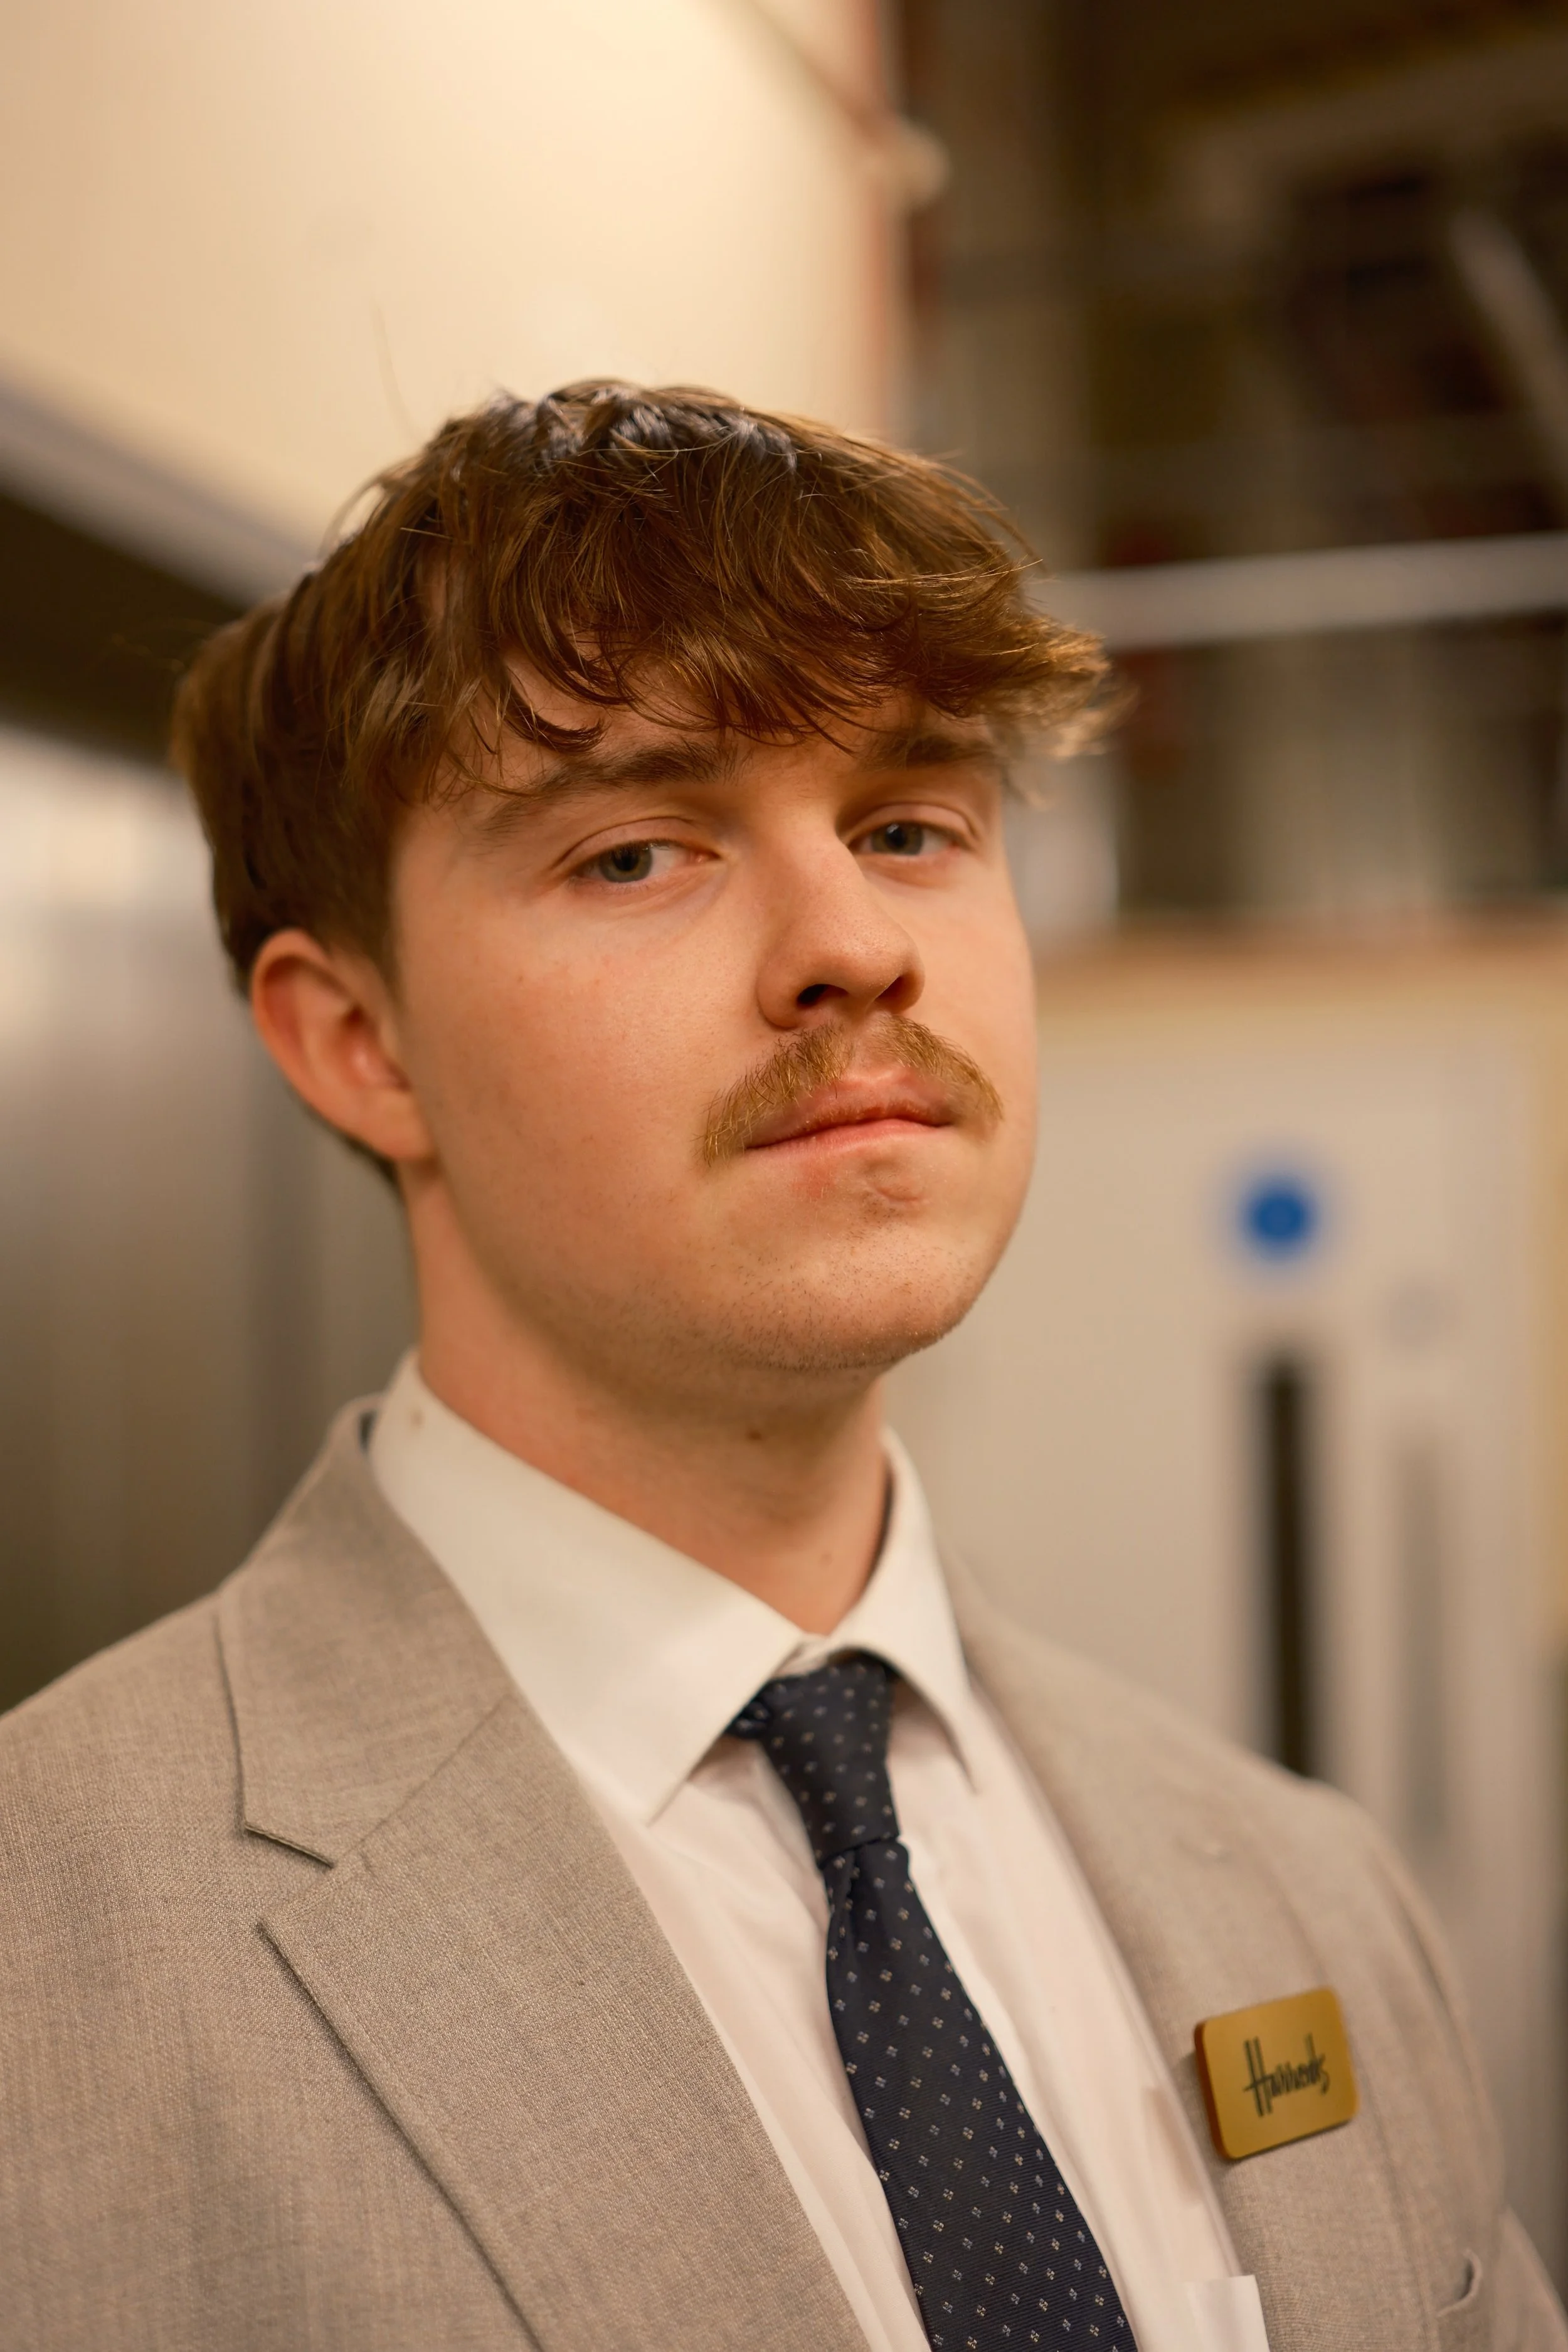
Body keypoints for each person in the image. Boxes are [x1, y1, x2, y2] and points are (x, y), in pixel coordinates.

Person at [0, 383, 1559, 2352]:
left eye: (911, 825)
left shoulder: (1306, 1887)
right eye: (641, 851)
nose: (852, 944)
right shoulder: (46, 1970)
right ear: (358, 1043)